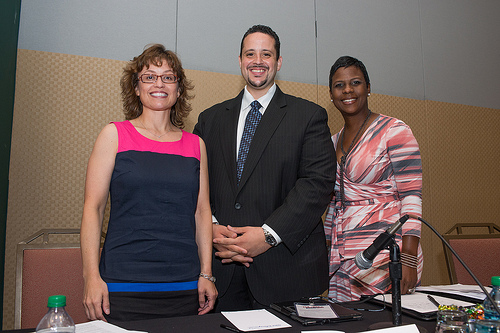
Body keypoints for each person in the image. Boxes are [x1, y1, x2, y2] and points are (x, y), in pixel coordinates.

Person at [193, 25, 336, 311]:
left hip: (287, 271)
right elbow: (194, 183)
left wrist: (268, 235)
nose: (257, 61)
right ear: (240, 60)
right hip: (222, 271)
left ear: (278, 62)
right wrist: (210, 229)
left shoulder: (308, 116)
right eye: (250, 54)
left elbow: (317, 184)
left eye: (266, 54)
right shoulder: (210, 120)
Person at [80, 44, 217, 322]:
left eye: (168, 77)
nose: (159, 83)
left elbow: (202, 212)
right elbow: (92, 209)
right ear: (136, 87)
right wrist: (91, 277)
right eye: (149, 76)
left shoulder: (195, 145)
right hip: (122, 283)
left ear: (178, 89)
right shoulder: (114, 135)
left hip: (184, 285)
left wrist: (206, 273)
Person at [324, 56, 423, 302]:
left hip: (387, 253)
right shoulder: (331, 142)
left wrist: (408, 259)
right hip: (343, 256)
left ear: (368, 87)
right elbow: (333, 205)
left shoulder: (394, 131)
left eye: (355, 82)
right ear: (331, 93)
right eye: (339, 85)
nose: (347, 90)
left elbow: (411, 197)